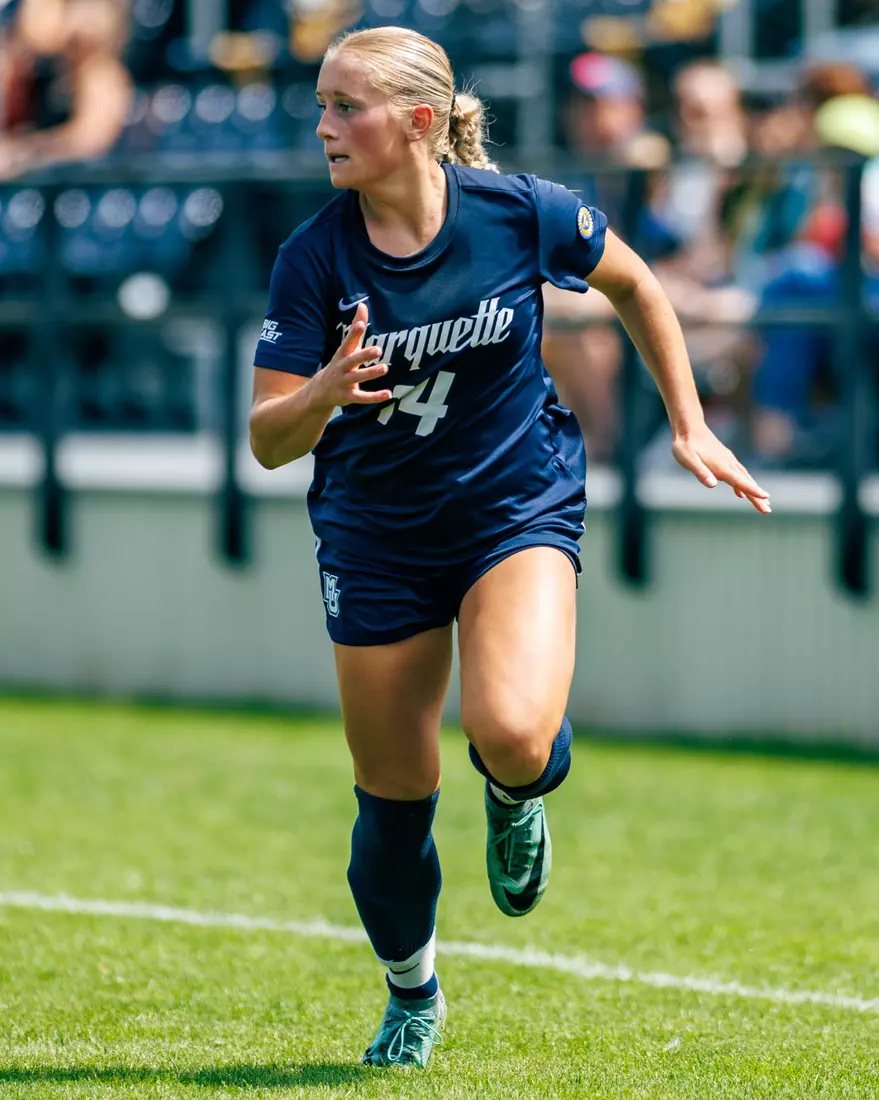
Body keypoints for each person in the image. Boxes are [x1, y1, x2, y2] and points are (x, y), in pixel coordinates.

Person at [249, 25, 771, 1070]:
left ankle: (516, 795)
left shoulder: (518, 210)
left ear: (419, 121)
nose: (324, 127)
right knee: (393, 799)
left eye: (347, 106)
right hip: (378, 535)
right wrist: (320, 392)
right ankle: (412, 992)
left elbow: (635, 286)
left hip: (510, 504)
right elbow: (269, 439)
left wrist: (687, 421)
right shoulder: (314, 256)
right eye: (321, 104)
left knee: (514, 733)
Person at [0, 0, 131, 178]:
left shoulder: (102, 76)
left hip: (86, 186)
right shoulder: (52, 75)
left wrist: (24, 151)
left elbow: (86, 142)